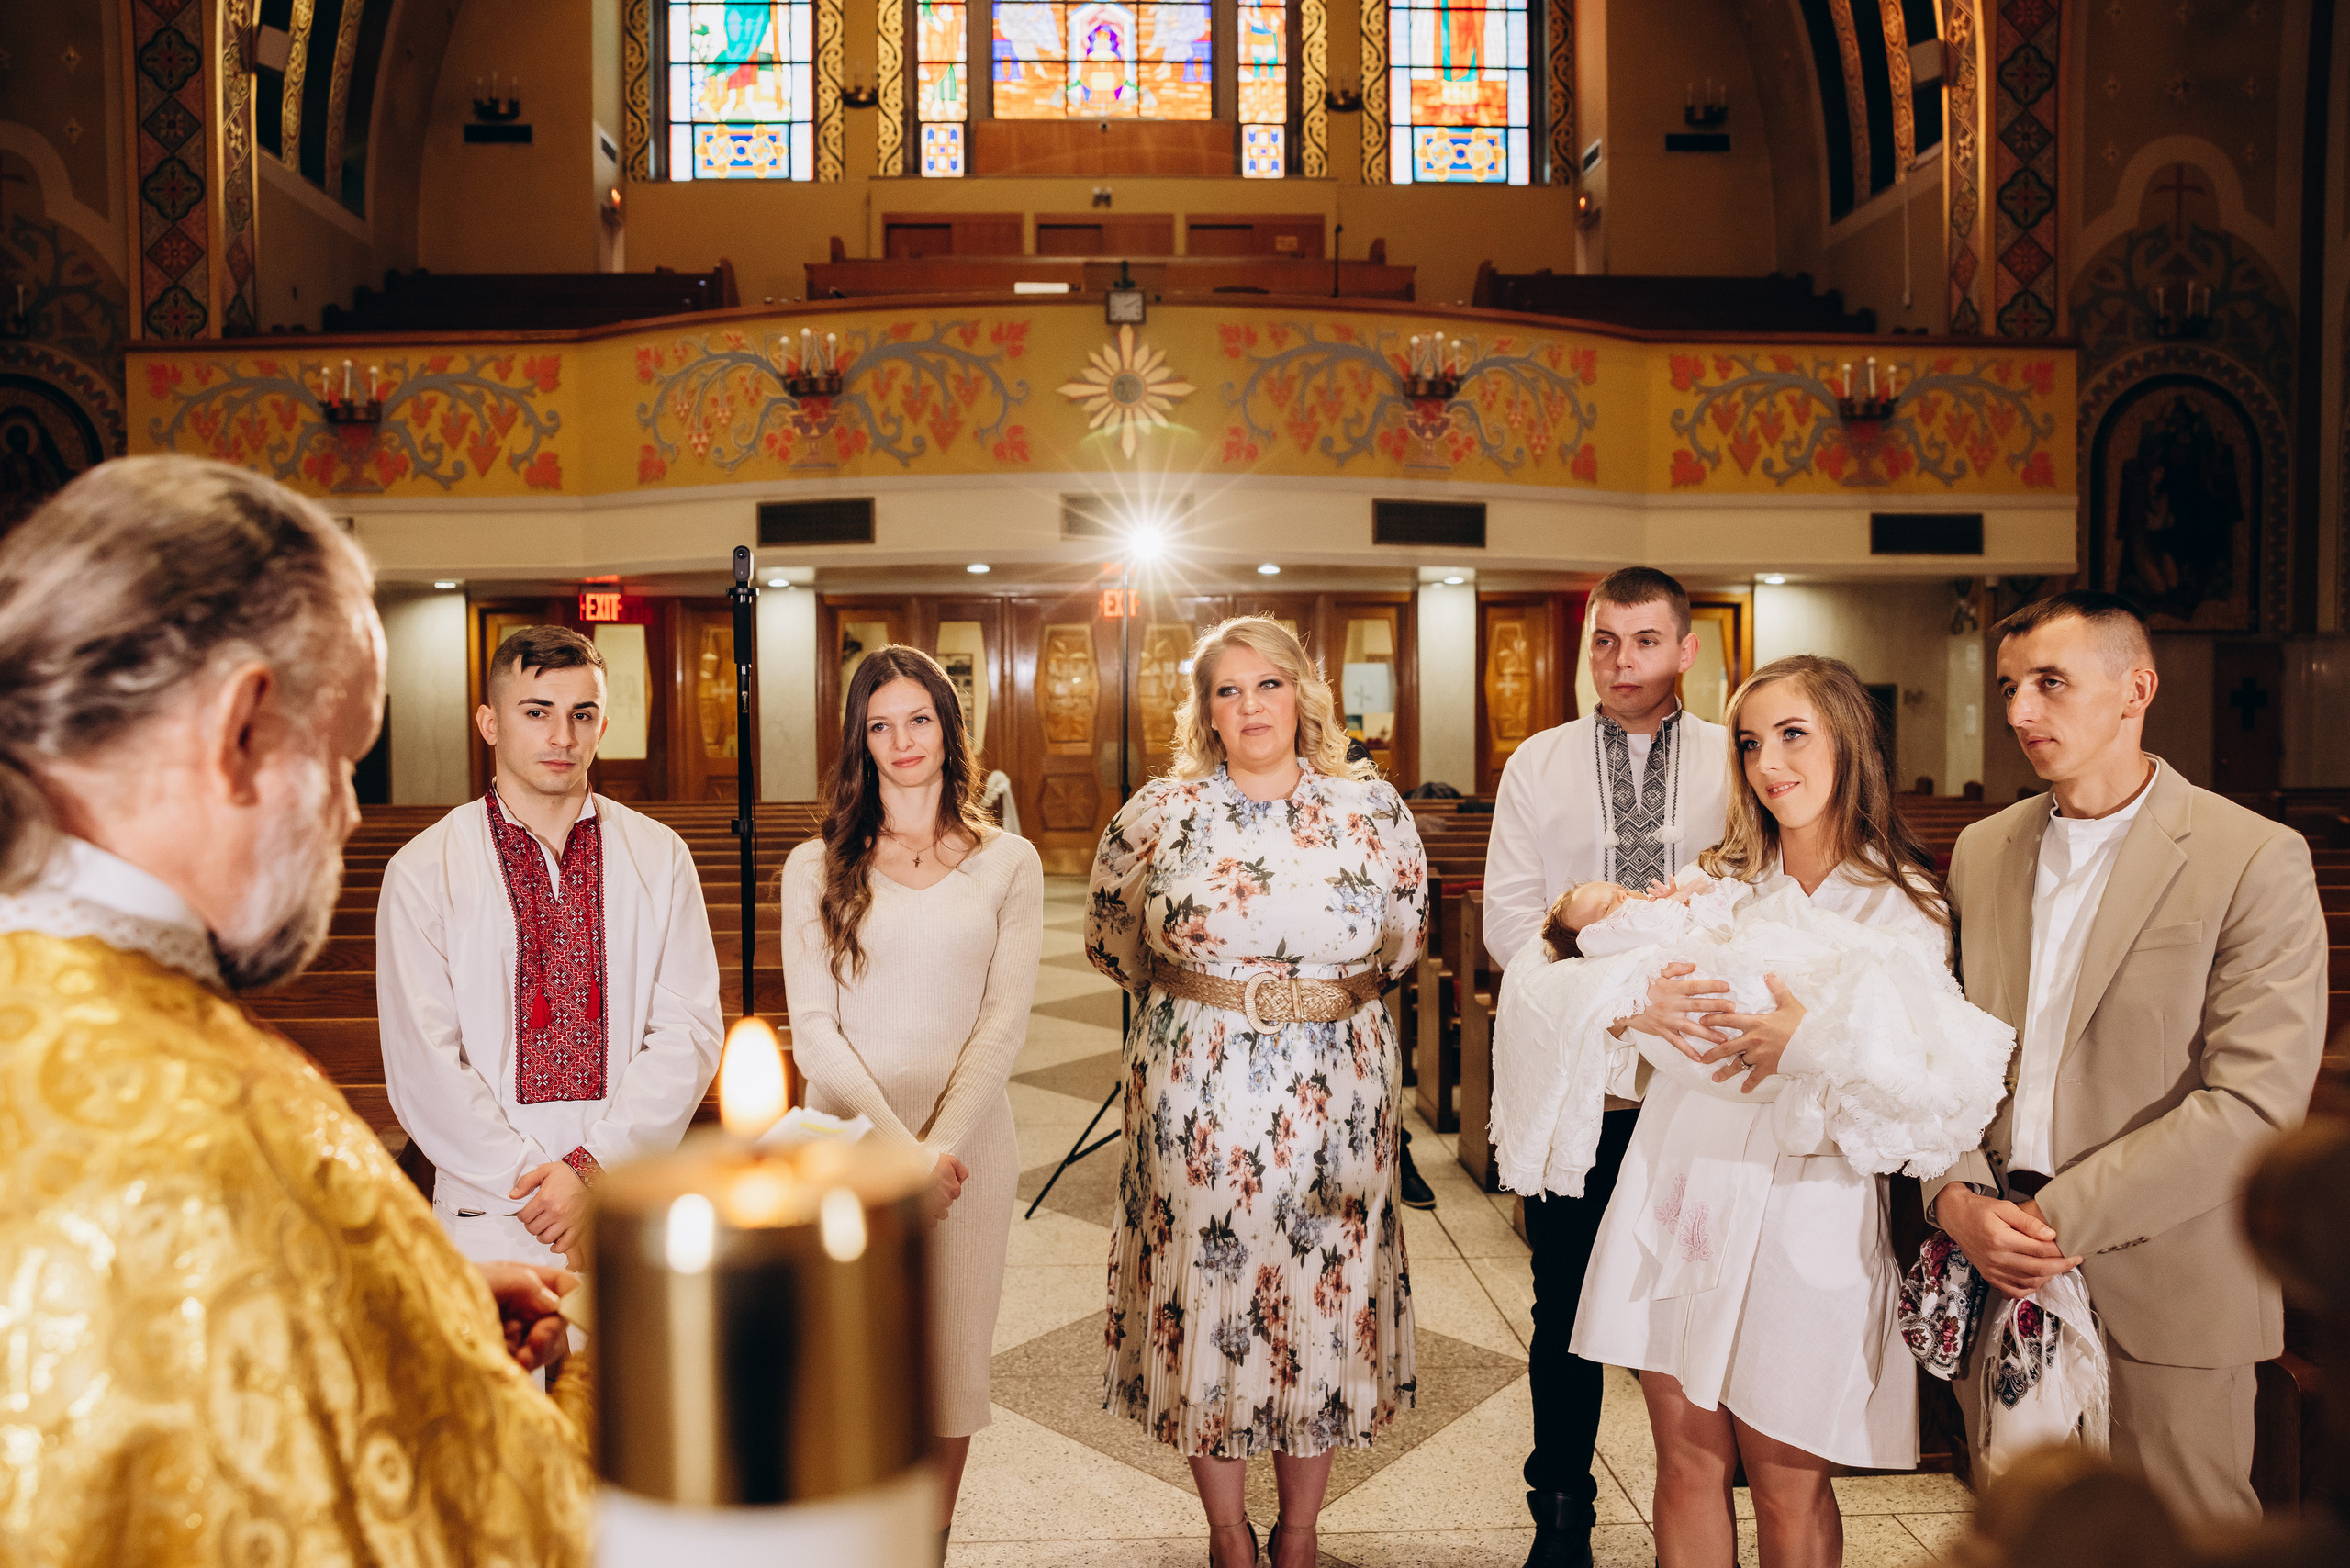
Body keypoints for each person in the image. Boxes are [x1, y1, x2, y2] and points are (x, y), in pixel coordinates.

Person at [0, 456, 592, 1563]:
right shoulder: (219, 1131)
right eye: (345, 757)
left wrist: (395, 1306)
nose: (354, 816)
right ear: (242, 731)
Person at [1556, 655, 2012, 1568]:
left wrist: (1811, 1044)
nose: (1770, 763)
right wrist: (1631, 1008)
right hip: (1685, 1177)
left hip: (1814, 1197)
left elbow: (1920, 1082)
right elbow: (1596, 976)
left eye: (1793, 734)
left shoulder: (1904, 904)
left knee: (1786, 1477)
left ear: (1848, 741)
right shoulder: (1717, 883)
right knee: (1685, 1458)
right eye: (1751, 742)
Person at [1922, 591, 2327, 1526]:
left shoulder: (2251, 856)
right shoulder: (1982, 852)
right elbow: (1937, 1055)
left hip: (2165, 1279)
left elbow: (2254, 1102)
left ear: (2134, 688)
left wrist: (2050, 1219)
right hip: (1998, 1267)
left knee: (2184, 1540)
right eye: (2011, 686)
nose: (2019, 711)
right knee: (2021, 1537)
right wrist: (1955, 1200)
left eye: (2050, 683)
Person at [1087, 615, 1427, 1568]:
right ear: (1204, 711)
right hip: (1198, 1094)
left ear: (1302, 693)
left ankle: (1302, 1532)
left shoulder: (1372, 810)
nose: (1249, 706)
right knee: (1212, 1295)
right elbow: (1113, 937)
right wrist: (1219, 1007)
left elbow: (1402, 939)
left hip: (1339, 1092)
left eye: (1267, 684)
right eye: (1227, 691)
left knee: (1322, 1296)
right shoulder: (1159, 812)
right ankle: (1229, 1532)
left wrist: (1313, 1001)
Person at [1481, 566, 1733, 1568]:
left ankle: (1702, 1503)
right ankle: (1561, 1508)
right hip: (1580, 1076)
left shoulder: (1732, 757)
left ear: (1685, 648)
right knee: (1566, 1296)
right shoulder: (1537, 763)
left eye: (1641, 640)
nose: (1619, 661)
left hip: (1699, 1074)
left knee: (1695, 1297)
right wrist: (1613, 987)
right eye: (1603, 641)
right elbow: (1511, 923)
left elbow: (1753, 903)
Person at [780, 644, 1044, 1542]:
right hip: (848, 1148)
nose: (902, 741)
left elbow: (1002, 1023)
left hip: (967, 1154)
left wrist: (941, 1150)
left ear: (948, 726)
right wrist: (903, 1154)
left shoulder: (1008, 861)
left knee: (949, 1370)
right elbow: (813, 1030)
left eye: (918, 719)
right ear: (860, 738)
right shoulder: (812, 867)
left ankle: (924, 1550)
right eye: (880, 723)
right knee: (849, 1371)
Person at [377, 625, 723, 1276]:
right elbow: (423, 1062)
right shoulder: (424, 870)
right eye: (537, 712)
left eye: (581, 714)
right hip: (490, 1211)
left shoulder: (659, 856)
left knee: (635, 1380)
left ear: (602, 725)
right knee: (502, 1379)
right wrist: (541, 1189)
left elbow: (690, 1031)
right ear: (489, 722)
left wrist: (591, 1173)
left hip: (623, 1198)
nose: (562, 736)